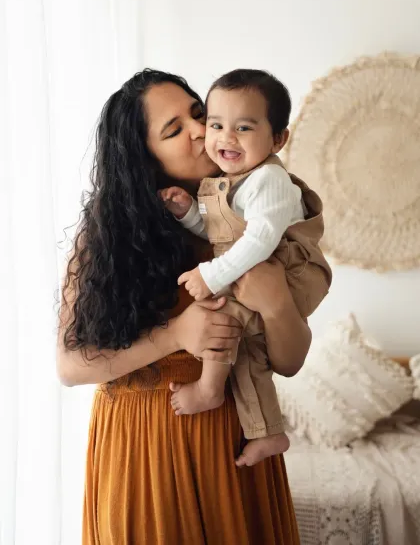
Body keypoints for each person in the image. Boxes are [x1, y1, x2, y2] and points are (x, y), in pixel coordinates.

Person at [57, 68, 311, 544]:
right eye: (175, 130)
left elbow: (290, 363)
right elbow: (70, 366)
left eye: (200, 114)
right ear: (143, 158)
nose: (202, 131)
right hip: (141, 451)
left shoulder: (248, 224)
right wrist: (175, 335)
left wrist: (277, 305)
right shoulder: (104, 240)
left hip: (232, 446)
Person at [161, 69, 332, 466]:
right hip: (260, 267)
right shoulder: (230, 181)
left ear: (277, 139)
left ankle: (208, 391)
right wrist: (189, 214)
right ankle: (268, 432)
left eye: (243, 127)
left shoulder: (268, 179)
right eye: (217, 124)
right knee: (249, 355)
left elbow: (258, 240)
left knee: (224, 317)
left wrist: (211, 275)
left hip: (287, 271)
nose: (224, 137)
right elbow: (221, 231)